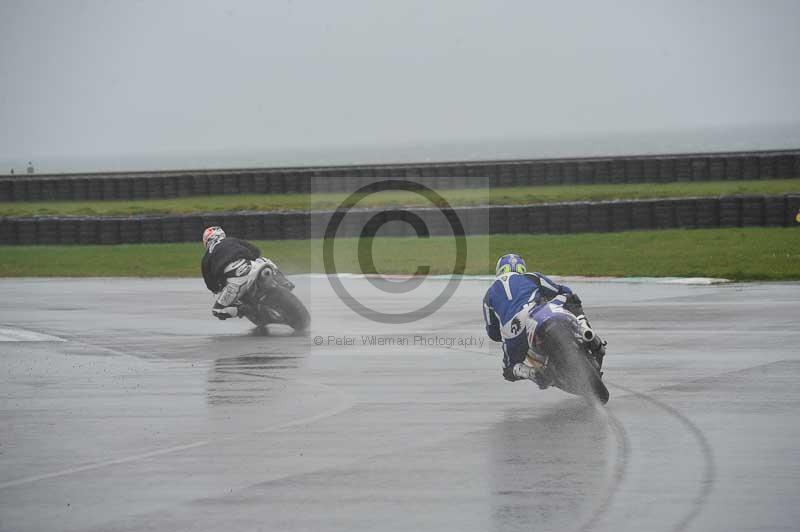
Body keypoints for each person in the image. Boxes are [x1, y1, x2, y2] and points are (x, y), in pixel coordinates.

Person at [482, 253, 606, 388]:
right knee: (570, 297)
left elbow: (492, 333)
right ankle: (585, 330)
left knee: (508, 370)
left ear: (499, 270)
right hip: (536, 312)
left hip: (513, 331)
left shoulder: (488, 296)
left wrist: (508, 338)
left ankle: (531, 373)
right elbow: (562, 290)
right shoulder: (532, 277)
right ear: (521, 268)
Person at [201, 226, 278, 320]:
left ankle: (248, 309)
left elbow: (211, 284)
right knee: (263, 260)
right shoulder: (231, 240)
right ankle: (284, 281)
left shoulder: (206, 257)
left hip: (235, 280)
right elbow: (256, 251)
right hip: (253, 266)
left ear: (206, 240)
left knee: (217, 310)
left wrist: (218, 288)